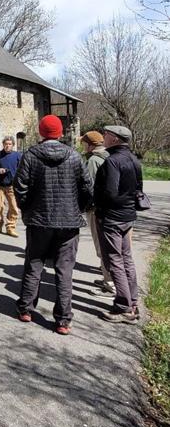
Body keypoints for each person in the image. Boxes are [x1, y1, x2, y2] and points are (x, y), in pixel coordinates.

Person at [14, 115, 93, 335]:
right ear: (60, 133)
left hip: (39, 220)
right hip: (67, 222)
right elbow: (88, 188)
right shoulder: (75, 157)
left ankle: (26, 309)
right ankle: (63, 320)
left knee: (34, 264)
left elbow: (20, 186)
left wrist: (27, 209)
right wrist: (78, 208)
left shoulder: (30, 156)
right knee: (64, 270)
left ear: (41, 132)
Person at [94, 125, 142, 324]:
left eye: (106, 135)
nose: (103, 137)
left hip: (112, 217)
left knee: (115, 260)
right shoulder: (133, 159)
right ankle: (133, 301)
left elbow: (110, 192)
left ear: (114, 138)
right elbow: (139, 188)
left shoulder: (113, 161)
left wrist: (100, 208)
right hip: (128, 215)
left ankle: (123, 307)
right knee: (127, 259)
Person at [80, 131, 115, 295]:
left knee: (101, 246)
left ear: (90, 144)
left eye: (84, 143)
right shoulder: (109, 155)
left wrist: (84, 206)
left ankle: (109, 283)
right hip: (111, 208)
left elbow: (89, 187)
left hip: (96, 209)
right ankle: (108, 276)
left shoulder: (93, 160)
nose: (83, 146)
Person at [0, 135, 22, 237]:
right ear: (3, 144)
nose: (7, 146)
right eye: (6, 144)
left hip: (12, 185)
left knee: (14, 207)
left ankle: (10, 227)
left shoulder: (17, 156)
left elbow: (22, 169)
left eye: (10, 144)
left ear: (13, 145)